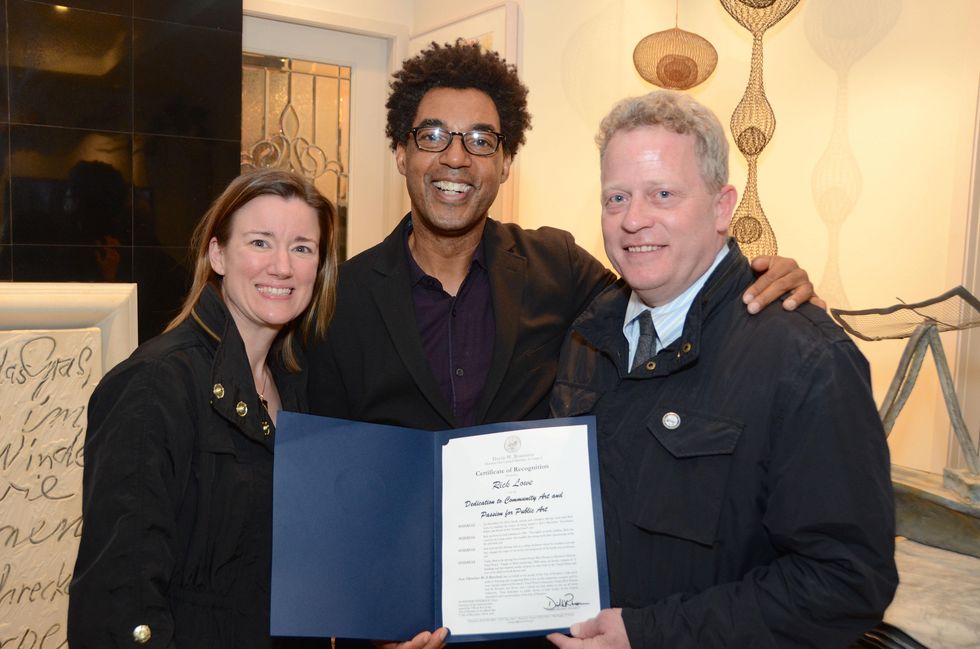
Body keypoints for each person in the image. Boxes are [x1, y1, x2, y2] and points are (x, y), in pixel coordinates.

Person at [307, 41, 818, 649]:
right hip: (400, 624)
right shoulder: (340, 298)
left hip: (539, 622)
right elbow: (327, 489)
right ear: (401, 150)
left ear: (504, 163)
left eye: (480, 140)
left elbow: (671, 293)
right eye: (434, 135)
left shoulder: (560, 268)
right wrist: (361, 627)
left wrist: (760, 280)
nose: (456, 158)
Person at [547, 90, 898, 649]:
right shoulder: (588, 332)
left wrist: (650, 635)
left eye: (663, 193)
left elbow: (846, 581)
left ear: (721, 206)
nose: (634, 220)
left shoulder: (805, 359)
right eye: (617, 198)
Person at [68, 169, 338, 649]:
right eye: (260, 242)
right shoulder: (154, 385)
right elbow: (117, 600)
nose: (282, 266)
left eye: (302, 247)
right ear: (217, 254)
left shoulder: (299, 387)